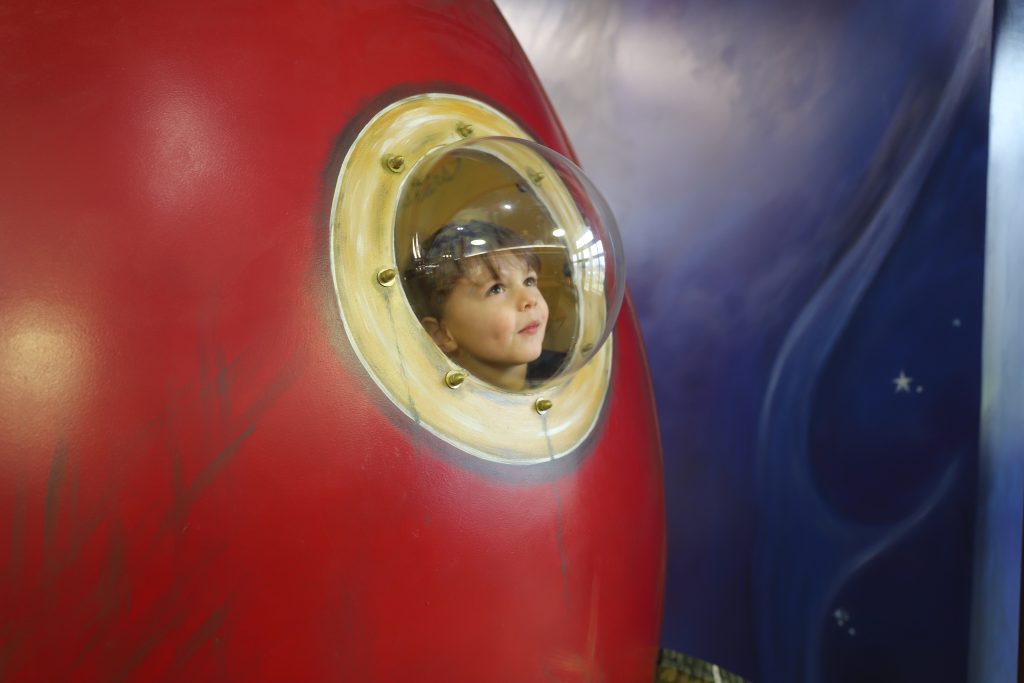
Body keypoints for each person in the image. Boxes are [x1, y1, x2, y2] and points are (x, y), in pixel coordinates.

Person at [407, 220, 562, 390]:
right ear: (442, 334)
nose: (530, 300)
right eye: (496, 289)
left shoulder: (561, 371)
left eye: (529, 281)